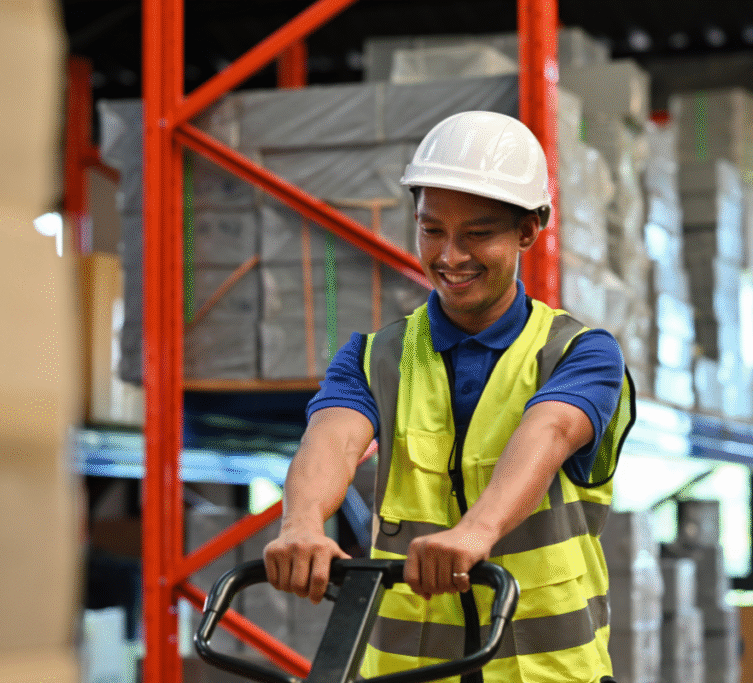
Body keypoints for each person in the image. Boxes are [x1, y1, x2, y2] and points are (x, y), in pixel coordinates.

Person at [263, 111, 635, 683]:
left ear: (529, 230)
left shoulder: (579, 353)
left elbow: (551, 430)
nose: (450, 256)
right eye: (432, 230)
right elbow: (332, 439)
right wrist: (302, 524)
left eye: (477, 234)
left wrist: (474, 534)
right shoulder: (373, 358)